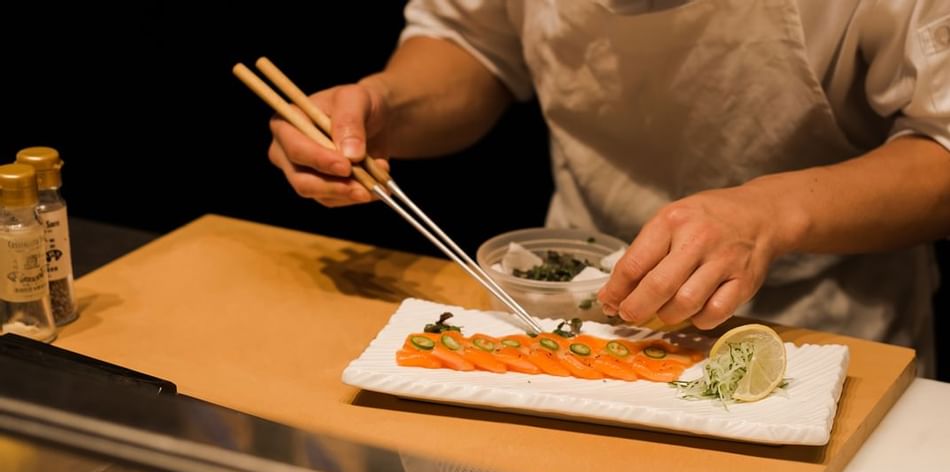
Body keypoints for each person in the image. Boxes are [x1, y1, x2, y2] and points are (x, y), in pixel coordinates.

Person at [268, 0, 950, 377]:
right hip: (571, 313)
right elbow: (473, 40)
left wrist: (771, 213)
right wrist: (390, 105)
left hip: (821, 337)